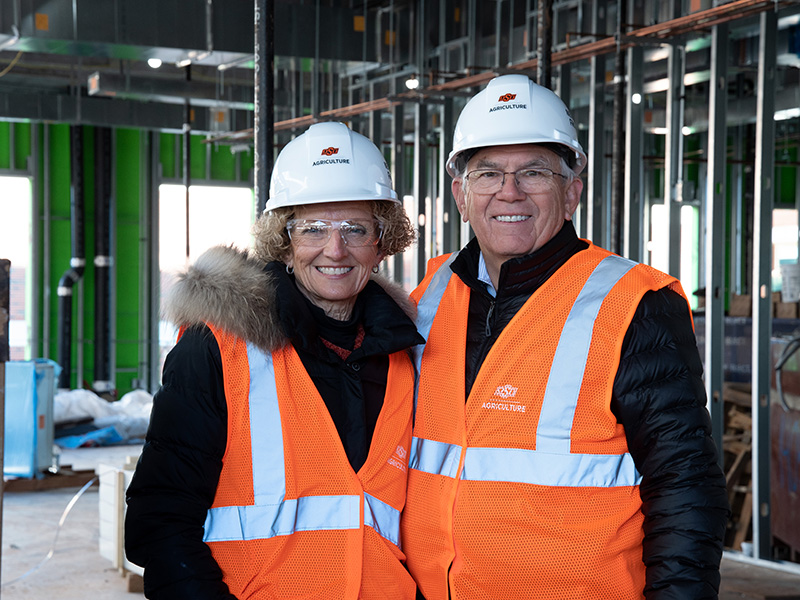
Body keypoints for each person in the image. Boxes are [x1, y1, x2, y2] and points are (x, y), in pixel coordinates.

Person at [400, 74, 730, 599]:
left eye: (534, 172)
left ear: (571, 192)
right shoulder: (428, 296)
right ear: (462, 195)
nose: (510, 192)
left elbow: (685, 485)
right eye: (488, 173)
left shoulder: (633, 302)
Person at [125, 121, 423, 599]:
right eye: (313, 229)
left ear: (382, 240)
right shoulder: (217, 349)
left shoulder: (404, 353)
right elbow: (162, 521)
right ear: (283, 240)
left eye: (355, 228)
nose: (335, 248)